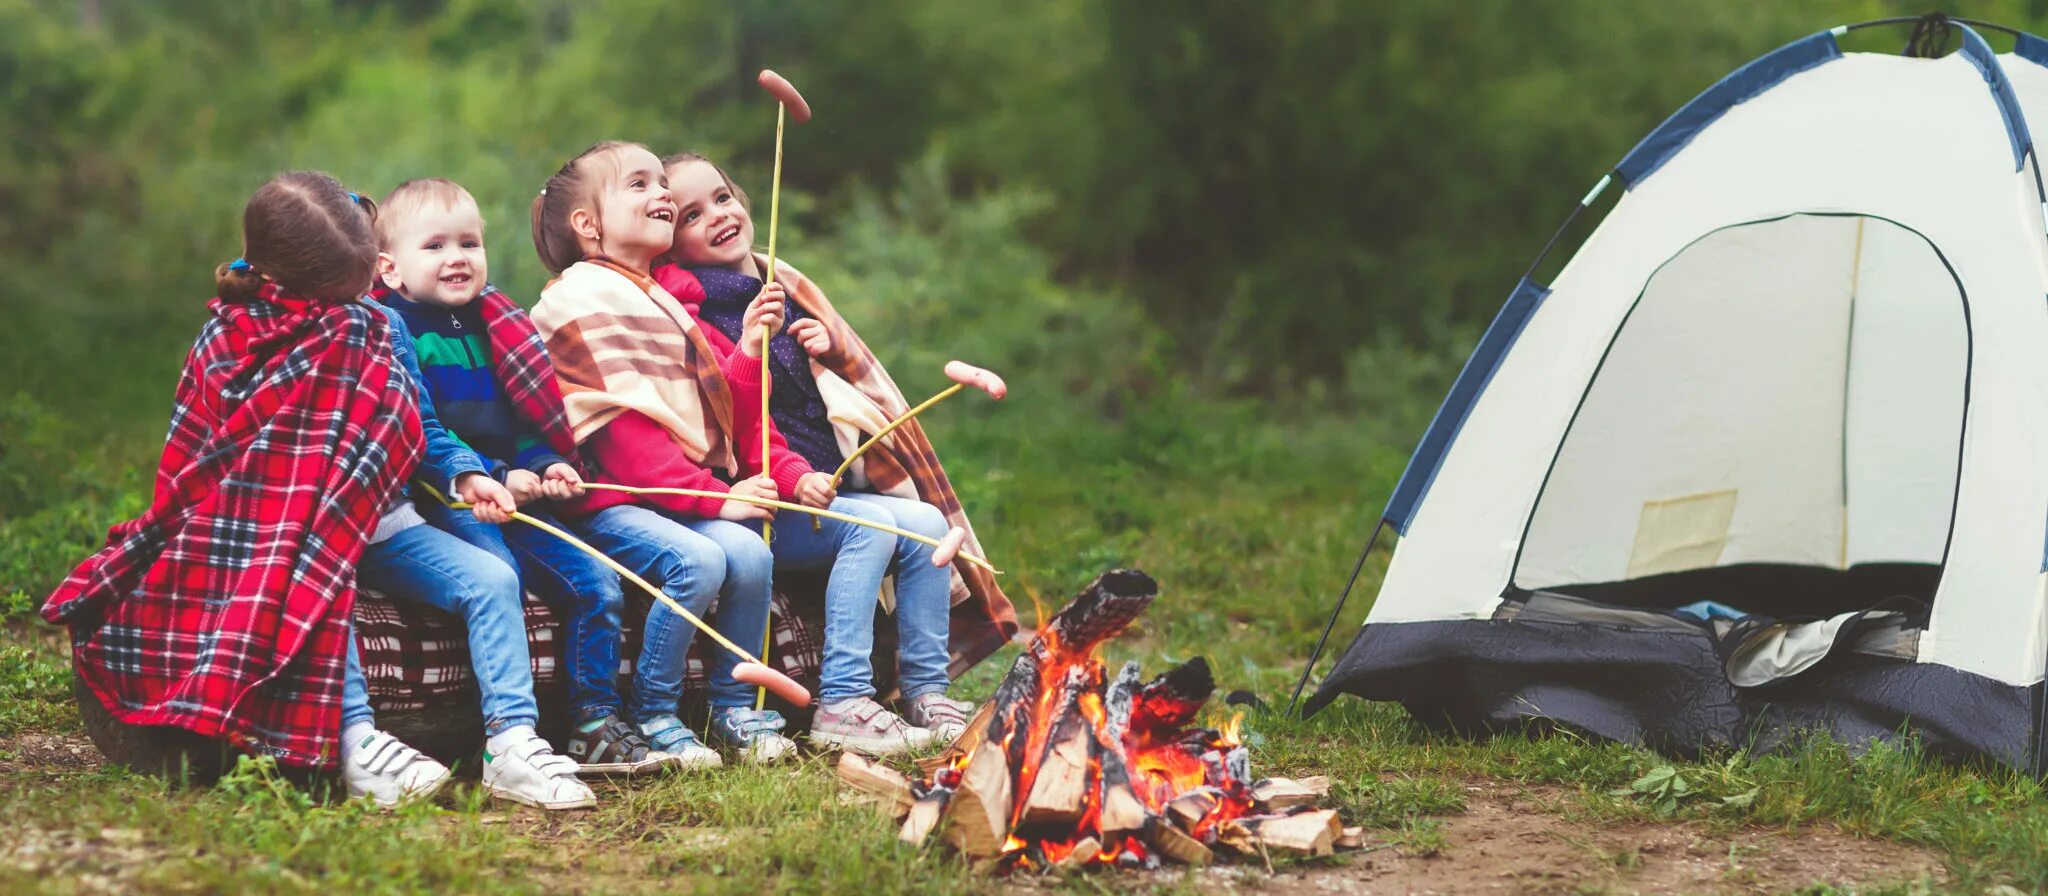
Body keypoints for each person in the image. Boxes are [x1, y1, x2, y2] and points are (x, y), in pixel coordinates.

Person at [653, 151, 996, 752]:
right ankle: (843, 699)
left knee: (921, 524)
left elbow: (829, 391)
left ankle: (923, 689)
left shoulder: (776, 284)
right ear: (670, 244)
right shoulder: (692, 315)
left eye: (723, 197)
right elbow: (733, 424)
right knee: (870, 526)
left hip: (823, 482)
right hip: (767, 500)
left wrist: (824, 346)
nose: (718, 215)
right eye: (690, 215)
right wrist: (753, 348)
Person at [369, 177, 677, 777]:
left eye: (469, 243)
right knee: (500, 576)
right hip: (451, 499)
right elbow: (420, 432)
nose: (457, 257)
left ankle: (593, 721)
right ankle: (506, 728)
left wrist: (546, 464)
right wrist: (492, 475)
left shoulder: (498, 322)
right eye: (434, 247)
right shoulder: (393, 329)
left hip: (515, 492)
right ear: (391, 269)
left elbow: (530, 416)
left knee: (595, 585)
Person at [528, 141, 796, 765]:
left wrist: (751, 351)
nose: (663, 195)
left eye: (661, 183)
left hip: (675, 490)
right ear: (588, 225)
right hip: (607, 498)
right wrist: (717, 495)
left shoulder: (663, 300)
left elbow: (718, 405)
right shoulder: (577, 299)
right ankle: (653, 710)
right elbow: (622, 441)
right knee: (700, 560)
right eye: (640, 184)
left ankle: (732, 706)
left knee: (750, 554)